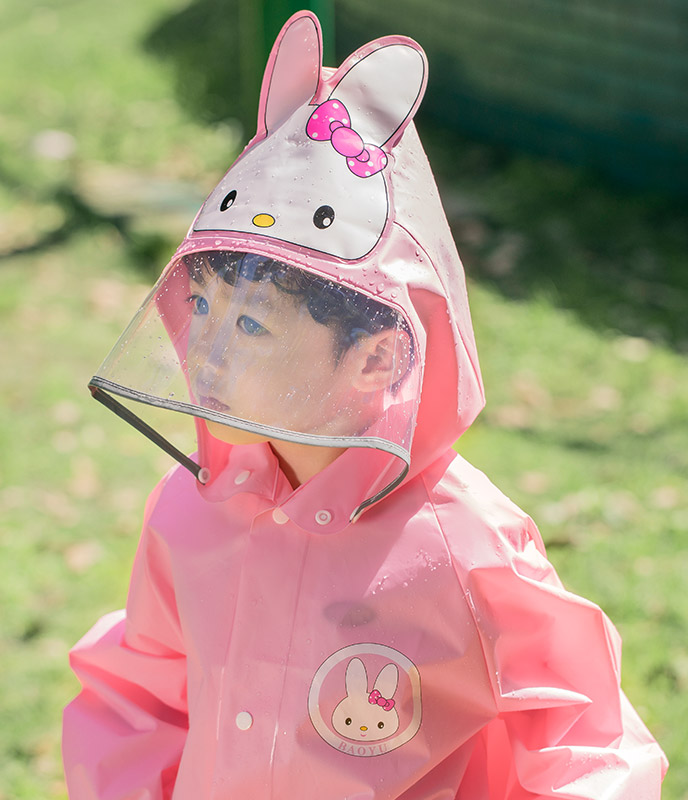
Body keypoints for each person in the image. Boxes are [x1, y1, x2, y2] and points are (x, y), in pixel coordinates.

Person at [62, 11, 668, 799]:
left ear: (376, 355)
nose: (205, 348)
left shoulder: (464, 541)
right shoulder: (189, 510)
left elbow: (588, 744)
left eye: (248, 323)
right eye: (202, 306)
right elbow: (139, 695)